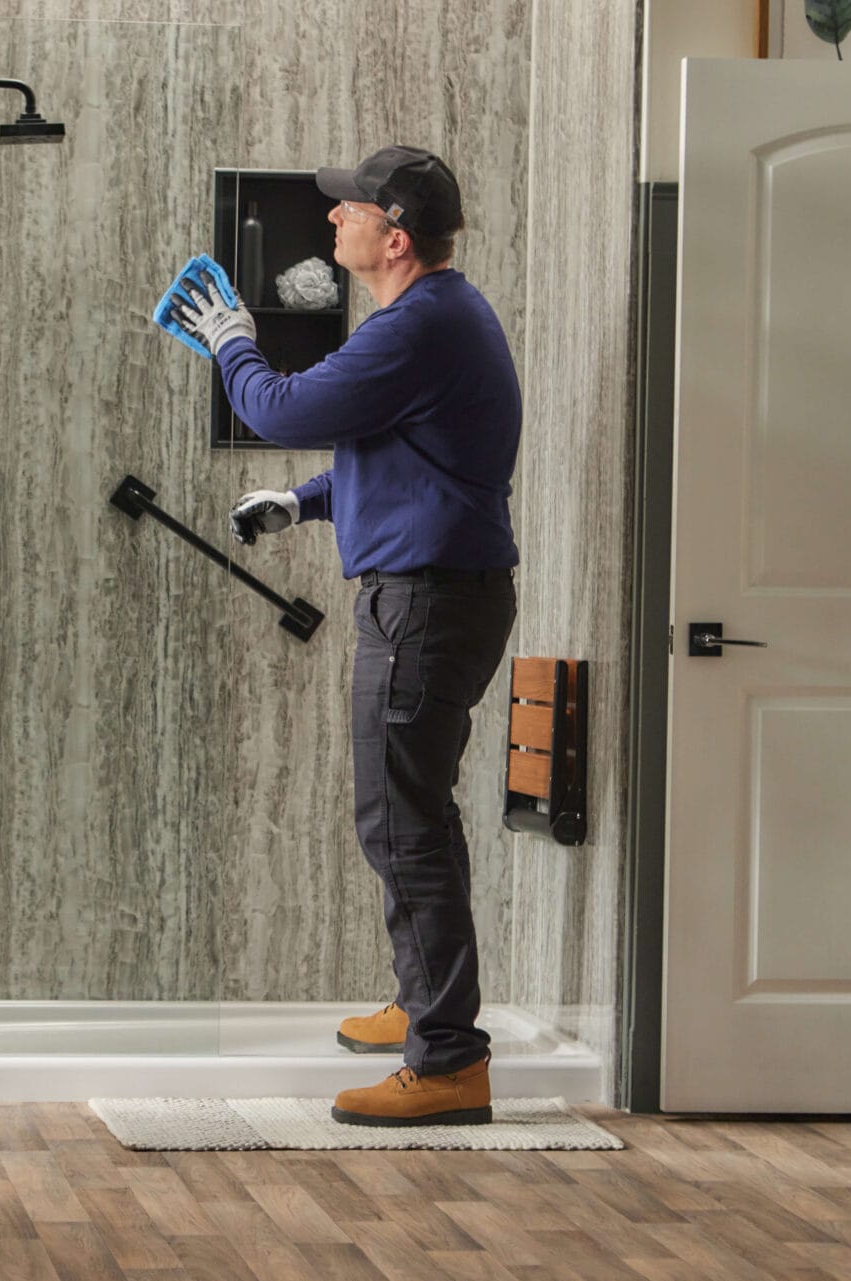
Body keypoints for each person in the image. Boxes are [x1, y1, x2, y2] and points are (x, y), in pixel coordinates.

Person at [168, 146, 521, 1126]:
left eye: (350, 209)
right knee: (413, 816)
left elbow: (279, 408)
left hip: (423, 607)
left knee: (401, 825)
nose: (332, 219)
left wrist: (234, 341)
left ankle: (447, 1061)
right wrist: (304, 501)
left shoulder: (419, 326)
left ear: (394, 237)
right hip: (437, 598)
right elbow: (408, 457)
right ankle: (424, 1004)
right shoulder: (439, 316)